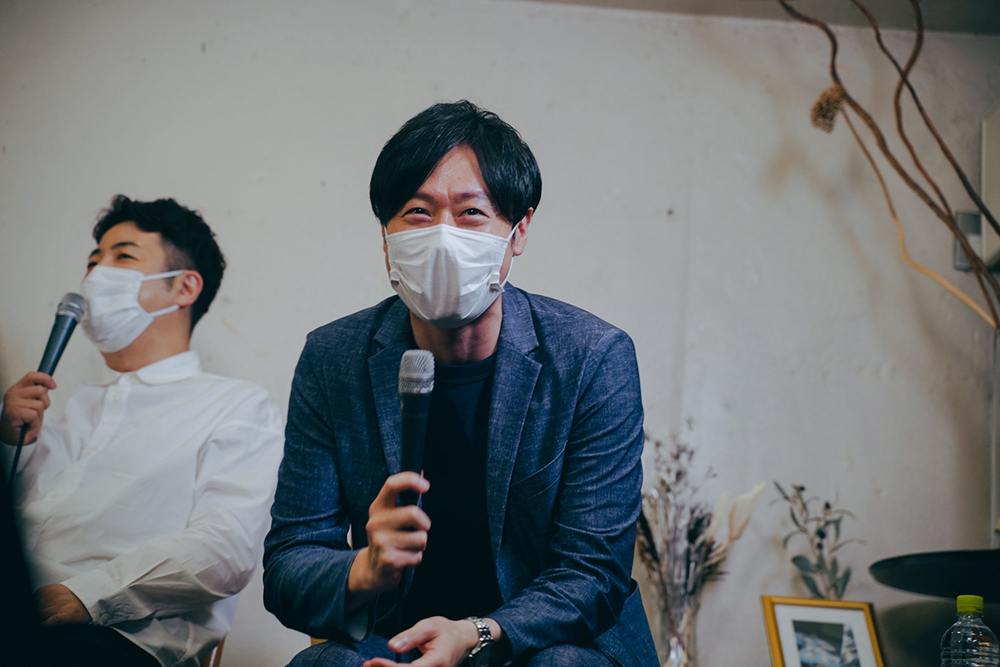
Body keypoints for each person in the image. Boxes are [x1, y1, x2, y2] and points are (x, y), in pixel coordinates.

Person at [264, 101, 658, 667]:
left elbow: (592, 572)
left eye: (471, 212)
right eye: (418, 213)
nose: (443, 237)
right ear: (385, 237)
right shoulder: (334, 358)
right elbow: (287, 566)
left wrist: (477, 635)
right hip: (398, 643)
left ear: (518, 231)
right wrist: (364, 568)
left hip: (544, 645)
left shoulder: (592, 358)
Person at [0, 196, 284, 667]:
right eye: (93, 261)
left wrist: (87, 595)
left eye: (123, 256)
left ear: (184, 287)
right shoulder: (66, 411)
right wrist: (11, 444)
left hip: (112, 640)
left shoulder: (237, 406)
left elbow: (225, 549)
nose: (96, 274)